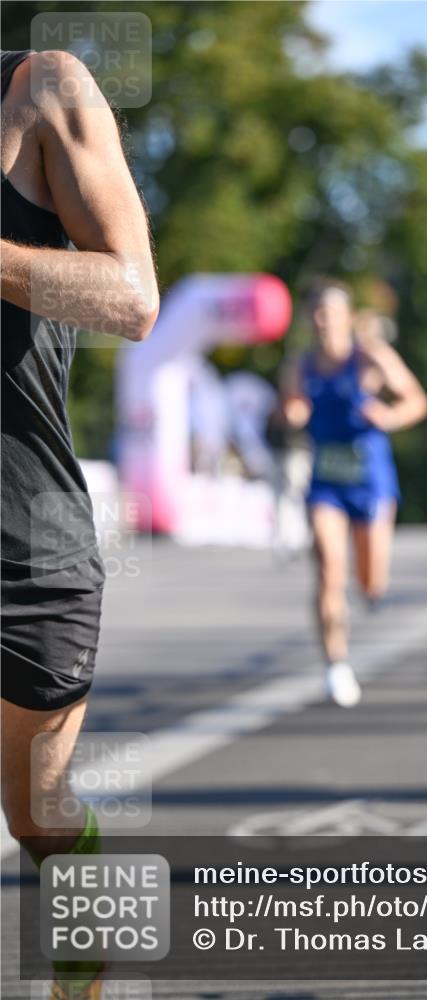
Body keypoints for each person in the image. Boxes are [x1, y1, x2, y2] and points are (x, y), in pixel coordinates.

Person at [1, 49, 158, 997]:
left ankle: (81, 975)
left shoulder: (41, 90)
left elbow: (132, 300)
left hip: (25, 544)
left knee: (38, 815)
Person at [280, 280, 427, 706]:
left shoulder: (370, 357)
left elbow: (417, 401)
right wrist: (292, 413)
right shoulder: (299, 364)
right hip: (326, 480)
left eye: (330, 311)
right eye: (316, 312)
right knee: (329, 570)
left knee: (370, 578)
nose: (323, 320)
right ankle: (336, 663)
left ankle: (371, 592)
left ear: (347, 317)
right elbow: (290, 405)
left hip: (371, 481)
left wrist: (389, 416)